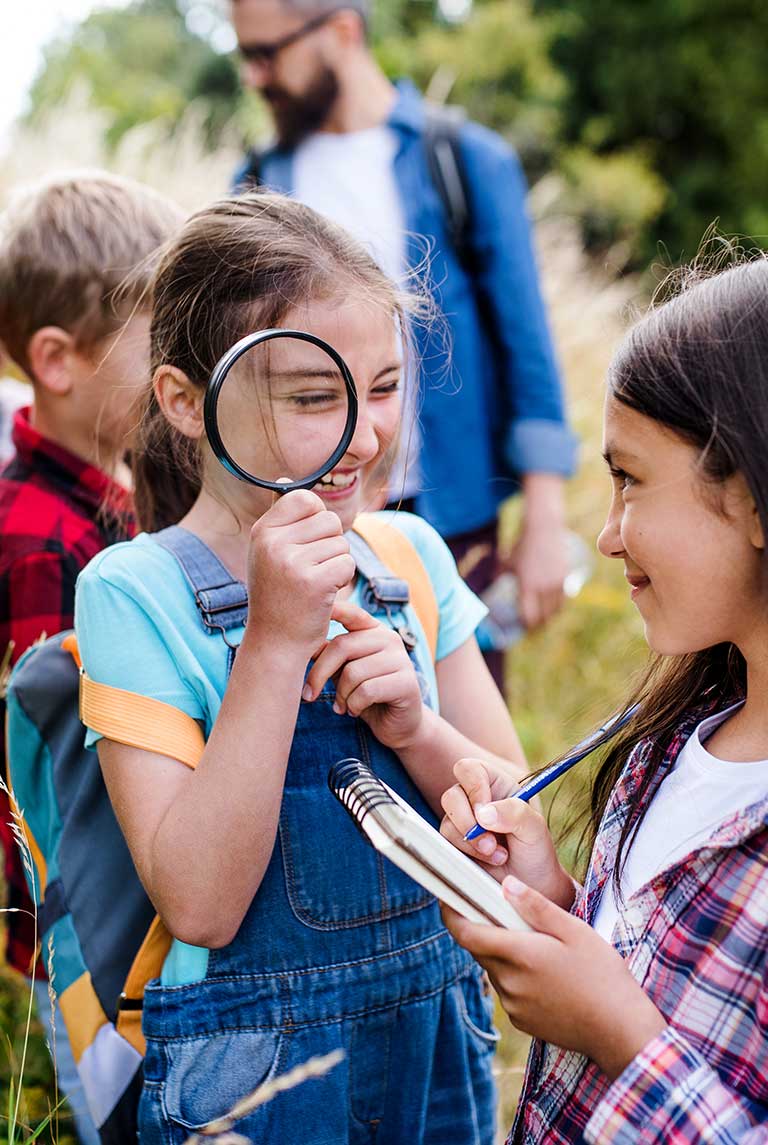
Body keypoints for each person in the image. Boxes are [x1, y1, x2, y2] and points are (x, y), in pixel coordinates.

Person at [73, 190, 531, 1144]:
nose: (364, 437)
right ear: (186, 403)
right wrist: (275, 646)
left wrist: (415, 726)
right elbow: (200, 901)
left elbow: (515, 835)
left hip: (435, 1051)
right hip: (249, 1083)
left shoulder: (410, 558)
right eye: (316, 396)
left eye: (388, 386)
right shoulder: (133, 592)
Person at [439, 258, 768, 1143]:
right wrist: (549, 893)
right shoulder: (673, 737)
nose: (607, 531)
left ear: (752, 495)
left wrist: (623, 1041)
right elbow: (661, 970)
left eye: (630, 478)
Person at [229, 0, 578, 687]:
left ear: (341, 31)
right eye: (246, 56)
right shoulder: (258, 184)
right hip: (316, 508)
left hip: (456, 516)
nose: (254, 76)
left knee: (463, 726)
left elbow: (526, 342)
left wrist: (544, 514)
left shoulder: (465, 160)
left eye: (267, 53)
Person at [0, 171, 183, 1145]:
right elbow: (52, 766)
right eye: (158, 345)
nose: (178, 374)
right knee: (123, 1110)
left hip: (139, 887)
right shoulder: (37, 539)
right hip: (83, 931)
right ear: (58, 360)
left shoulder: (115, 499)